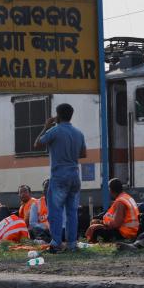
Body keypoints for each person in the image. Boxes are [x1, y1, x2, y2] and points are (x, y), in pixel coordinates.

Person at [35, 103, 87, 253]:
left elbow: (37, 144)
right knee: (72, 212)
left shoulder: (54, 131)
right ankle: (72, 244)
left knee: (55, 211)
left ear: (58, 115)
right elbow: (83, 154)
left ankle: (56, 243)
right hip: (75, 175)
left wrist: (46, 126)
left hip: (59, 176)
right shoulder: (79, 133)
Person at [85, 178, 139, 243]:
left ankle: (92, 243)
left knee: (95, 229)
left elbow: (116, 224)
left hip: (124, 233)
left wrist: (101, 223)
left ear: (111, 190)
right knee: (96, 224)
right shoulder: (127, 197)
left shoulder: (120, 202)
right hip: (132, 231)